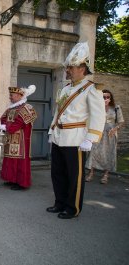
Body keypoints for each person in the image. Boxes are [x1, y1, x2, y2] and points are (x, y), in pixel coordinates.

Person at [47, 42, 105, 219]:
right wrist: (52, 130)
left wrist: (91, 138)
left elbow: (98, 115)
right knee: (57, 172)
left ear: (82, 68)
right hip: (59, 137)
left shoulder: (91, 89)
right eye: (68, 67)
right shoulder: (65, 88)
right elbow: (58, 112)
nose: (68, 70)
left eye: (71, 67)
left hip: (76, 139)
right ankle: (60, 202)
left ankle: (72, 208)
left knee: (74, 176)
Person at [0, 85, 37, 190]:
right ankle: (12, 179)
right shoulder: (11, 107)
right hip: (10, 139)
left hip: (21, 141)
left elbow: (20, 121)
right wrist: (3, 126)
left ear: (19, 96)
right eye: (10, 95)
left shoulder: (27, 107)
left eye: (12, 95)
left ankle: (21, 183)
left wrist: (8, 128)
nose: (10, 97)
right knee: (10, 160)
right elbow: (3, 117)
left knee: (19, 161)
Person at [85, 88, 124, 184]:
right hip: (98, 132)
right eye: (104, 97)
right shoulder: (97, 107)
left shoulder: (116, 107)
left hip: (110, 133)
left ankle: (106, 175)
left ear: (111, 98)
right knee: (93, 151)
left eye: (108, 97)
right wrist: (103, 106)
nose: (106, 98)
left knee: (108, 153)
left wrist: (115, 129)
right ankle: (91, 173)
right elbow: (91, 119)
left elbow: (121, 122)